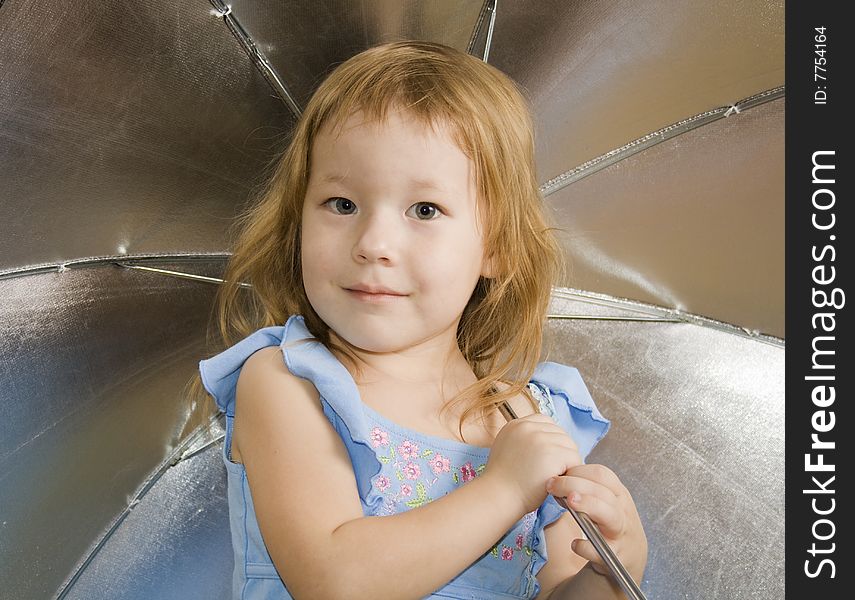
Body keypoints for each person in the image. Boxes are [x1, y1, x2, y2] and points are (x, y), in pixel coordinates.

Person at [191, 40, 647, 599]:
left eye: (424, 210)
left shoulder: (522, 415)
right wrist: (503, 489)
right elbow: (335, 580)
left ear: (496, 246)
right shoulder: (290, 385)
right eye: (342, 204)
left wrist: (611, 572)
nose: (374, 243)